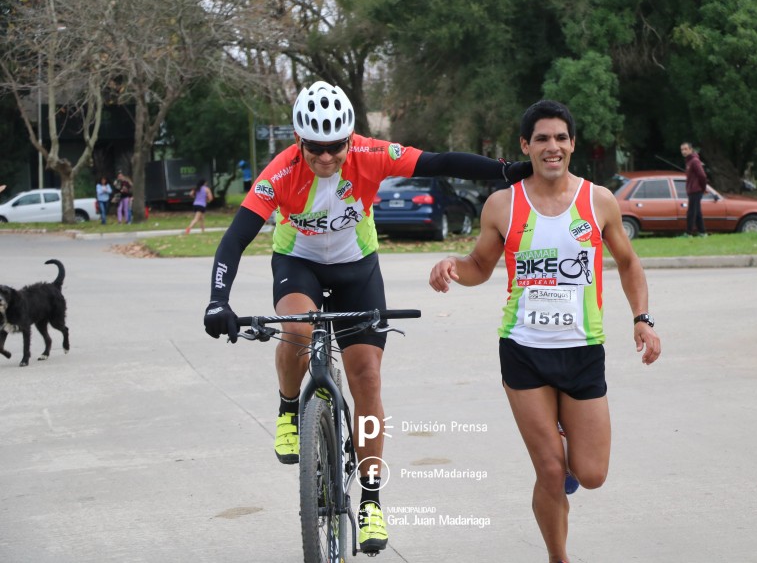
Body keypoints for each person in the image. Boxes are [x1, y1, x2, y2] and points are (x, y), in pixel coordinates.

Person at [202, 81, 532, 553]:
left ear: (349, 138)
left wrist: (505, 170)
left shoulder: (372, 153)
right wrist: (218, 300)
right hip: (299, 266)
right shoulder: (281, 173)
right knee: (297, 329)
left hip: (358, 268)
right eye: (315, 148)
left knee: (368, 379)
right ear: (299, 141)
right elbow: (234, 239)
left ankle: (372, 500)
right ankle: (288, 407)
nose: (326, 158)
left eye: (336, 147)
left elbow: (438, 163)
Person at [429, 100, 661, 563]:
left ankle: (565, 439)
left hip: (582, 351)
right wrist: (452, 267)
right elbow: (479, 266)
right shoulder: (502, 204)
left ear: (572, 145)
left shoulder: (598, 201)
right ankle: (559, 557)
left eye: (560, 138)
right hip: (523, 350)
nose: (551, 147)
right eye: (541, 139)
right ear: (525, 146)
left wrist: (642, 317)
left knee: (590, 474)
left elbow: (629, 263)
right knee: (551, 470)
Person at [681, 142, 707, 237]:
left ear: (691, 150)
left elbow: (703, 176)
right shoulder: (688, 161)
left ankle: (688, 233)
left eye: (685, 149)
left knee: (691, 212)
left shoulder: (694, 161)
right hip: (692, 190)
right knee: (697, 212)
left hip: (695, 190)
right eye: (682, 149)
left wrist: (703, 188)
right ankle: (702, 232)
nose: (683, 151)